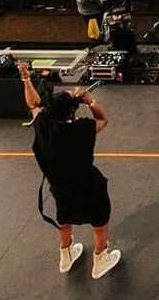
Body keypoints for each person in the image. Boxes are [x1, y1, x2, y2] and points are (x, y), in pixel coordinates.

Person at [18, 61, 121, 280]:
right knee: (100, 220)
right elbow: (103, 120)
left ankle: (66, 255)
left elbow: (33, 104)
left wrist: (25, 78)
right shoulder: (82, 128)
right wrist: (90, 101)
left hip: (59, 186)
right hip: (88, 184)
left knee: (64, 219)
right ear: (72, 112)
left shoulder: (43, 125)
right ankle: (100, 258)